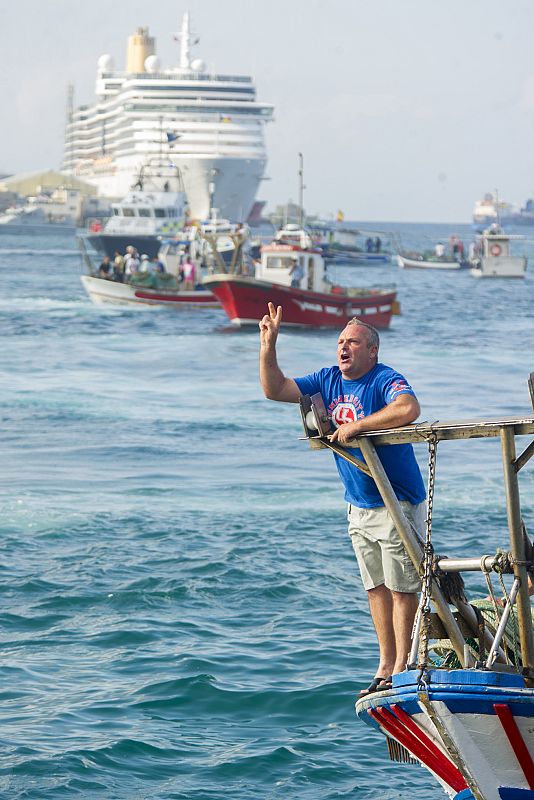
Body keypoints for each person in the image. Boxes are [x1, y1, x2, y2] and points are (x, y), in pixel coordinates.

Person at [259, 302, 426, 696]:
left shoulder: (386, 379)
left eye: (353, 341)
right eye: (340, 341)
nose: (343, 347)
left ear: (372, 350)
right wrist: (269, 345)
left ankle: (403, 665)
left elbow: (409, 409)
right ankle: (386, 662)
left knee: (403, 587)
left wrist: (358, 426)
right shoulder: (327, 379)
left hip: (396, 502)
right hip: (358, 503)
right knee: (375, 587)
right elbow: (275, 389)